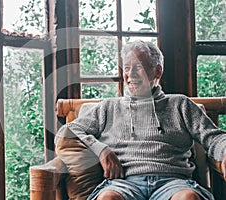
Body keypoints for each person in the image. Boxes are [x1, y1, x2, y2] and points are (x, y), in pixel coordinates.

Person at [55, 40, 226, 200]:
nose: (130, 75)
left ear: (157, 71)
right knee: (107, 198)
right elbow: (67, 132)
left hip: (174, 182)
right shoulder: (108, 107)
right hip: (124, 184)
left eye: (138, 67)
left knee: (188, 198)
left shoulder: (180, 104)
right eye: (127, 68)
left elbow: (214, 137)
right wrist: (101, 150)